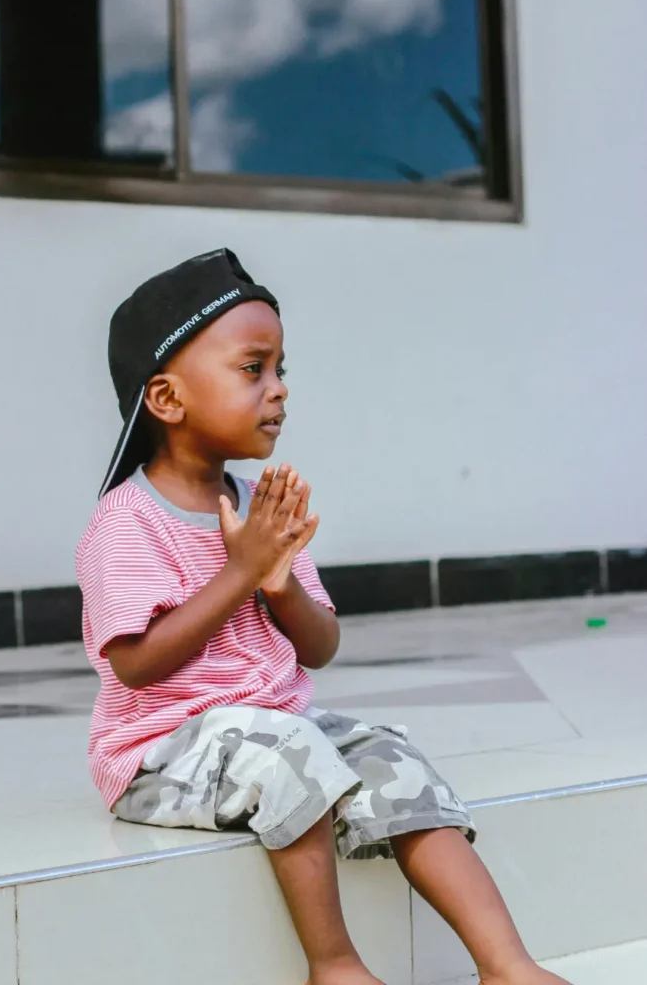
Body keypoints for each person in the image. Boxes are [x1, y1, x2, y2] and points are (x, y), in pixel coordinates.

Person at [76, 249, 569, 985]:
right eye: (253, 369)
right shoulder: (125, 523)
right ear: (168, 400)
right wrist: (238, 572)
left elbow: (319, 648)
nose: (278, 392)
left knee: (390, 754)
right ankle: (332, 965)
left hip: (273, 726)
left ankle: (505, 964)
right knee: (284, 752)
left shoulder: (259, 507)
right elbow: (136, 664)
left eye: (281, 370)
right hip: (160, 755)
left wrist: (278, 586)